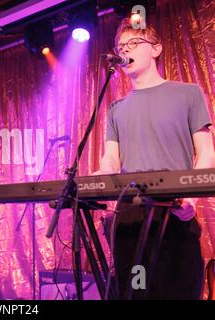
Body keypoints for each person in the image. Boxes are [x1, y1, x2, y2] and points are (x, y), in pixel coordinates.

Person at [95, 17, 215, 299]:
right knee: (132, 292)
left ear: (156, 49)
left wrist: (191, 198)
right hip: (129, 214)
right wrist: (99, 180)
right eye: (121, 46)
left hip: (174, 208)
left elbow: (207, 151)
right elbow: (111, 158)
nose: (125, 51)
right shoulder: (115, 109)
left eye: (134, 43)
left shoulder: (188, 94)